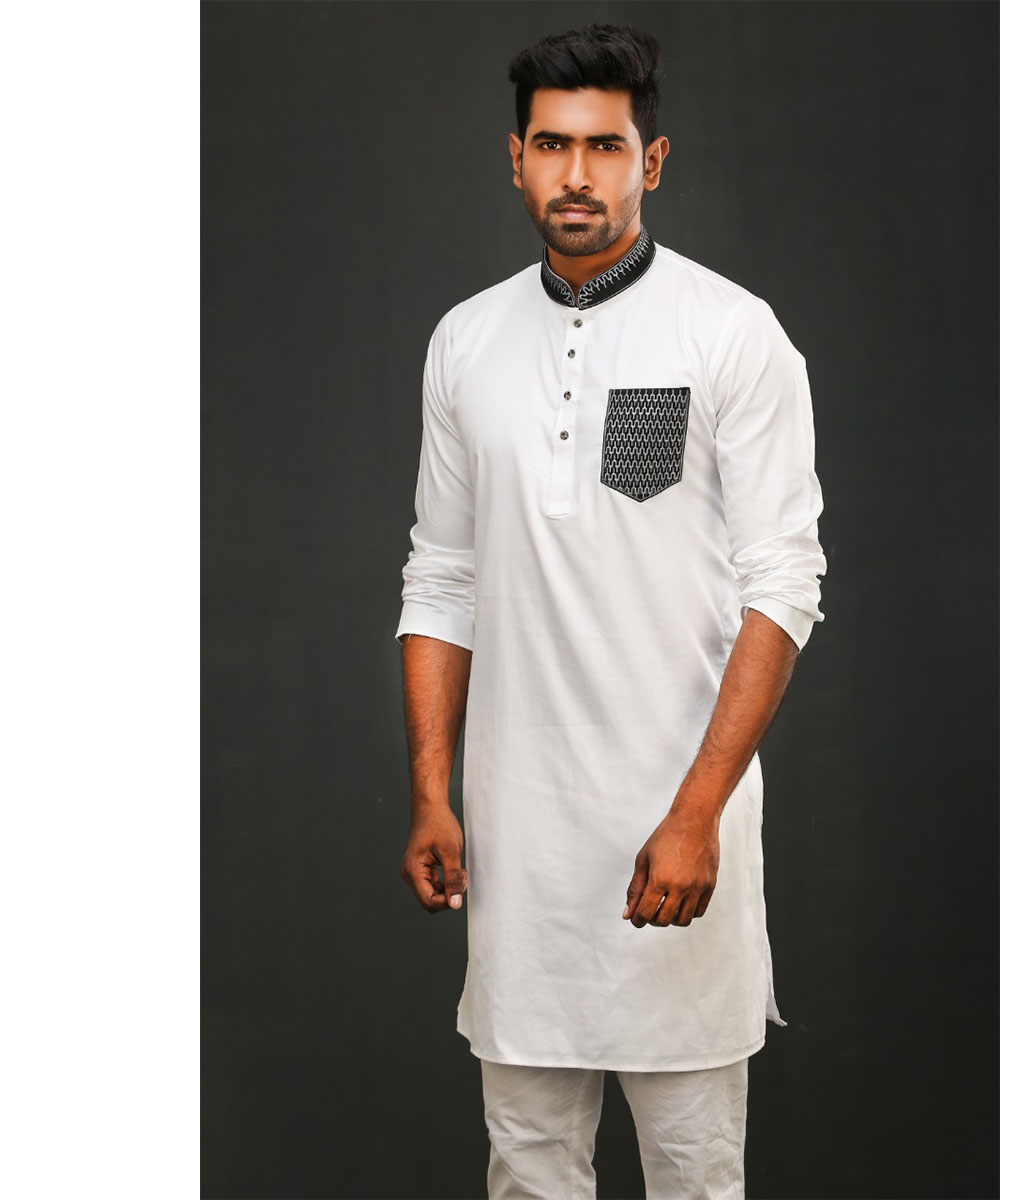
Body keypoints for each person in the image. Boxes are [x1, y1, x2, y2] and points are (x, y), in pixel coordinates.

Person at [394, 21, 826, 1200]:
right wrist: (433, 791)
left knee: (693, 1172)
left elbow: (783, 582)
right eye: (552, 145)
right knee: (528, 1167)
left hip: (675, 837)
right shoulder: (468, 340)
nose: (576, 174)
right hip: (518, 846)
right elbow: (442, 573)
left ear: (653, 161)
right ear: (516, 160)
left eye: (604, 146)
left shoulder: (727, 332)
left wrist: (696, 814)